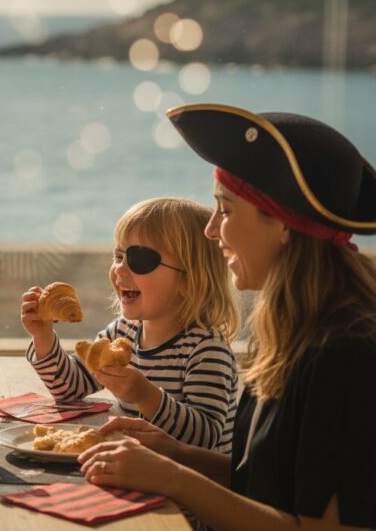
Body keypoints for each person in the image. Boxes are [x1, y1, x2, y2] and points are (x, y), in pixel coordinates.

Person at [79, 104, 376, 530]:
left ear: (283, 224)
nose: (211, 229)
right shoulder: (293, 333)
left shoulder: (346, 357)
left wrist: (174, 478)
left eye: (226, 209)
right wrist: (174, 453)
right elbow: (266, 483)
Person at [23, 197, 241, 452]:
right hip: (140, 470)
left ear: (190, 280)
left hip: (193, 483)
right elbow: (70, 389)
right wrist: (43, 337)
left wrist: (147, 396)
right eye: (118, 256)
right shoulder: (121, 334)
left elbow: (205, 437)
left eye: (140, 260)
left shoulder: (206, 351)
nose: (119, 270)